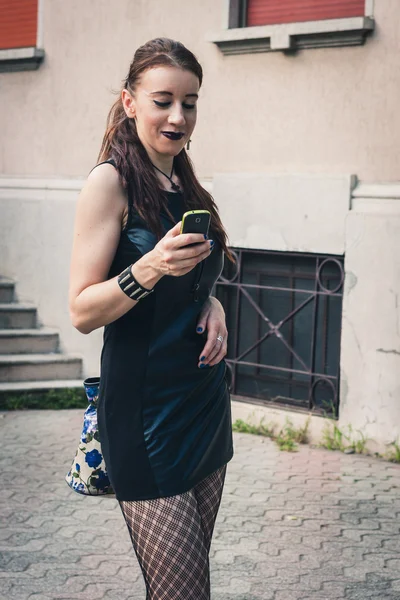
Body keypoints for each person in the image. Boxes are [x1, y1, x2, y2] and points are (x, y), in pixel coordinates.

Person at [68, 37, 235, 599]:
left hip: (203, 403)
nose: (178, 116)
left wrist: (209, 303)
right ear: (130, 101)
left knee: (194, 585)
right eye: (163, 100)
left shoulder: (188, 187)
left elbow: (193, 284)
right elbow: (81, 310)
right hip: (144, 417)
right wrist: (152, 266)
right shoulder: (109, 182)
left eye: (190, 102)